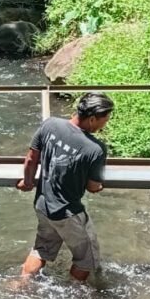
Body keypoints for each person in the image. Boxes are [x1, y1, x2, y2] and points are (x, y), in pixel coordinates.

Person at [16, 92, 113, 282]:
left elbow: (30, 160)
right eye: (105, 119)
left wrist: (27, 182)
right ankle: (74, 296)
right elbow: (93, 187)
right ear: (93, 119)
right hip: (68, 213)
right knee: (86, 259)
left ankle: (20, 284)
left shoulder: (50, 124)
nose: (105, 124)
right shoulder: (95, 149)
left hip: (43, 205)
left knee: (41, 249)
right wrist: (99, 186)